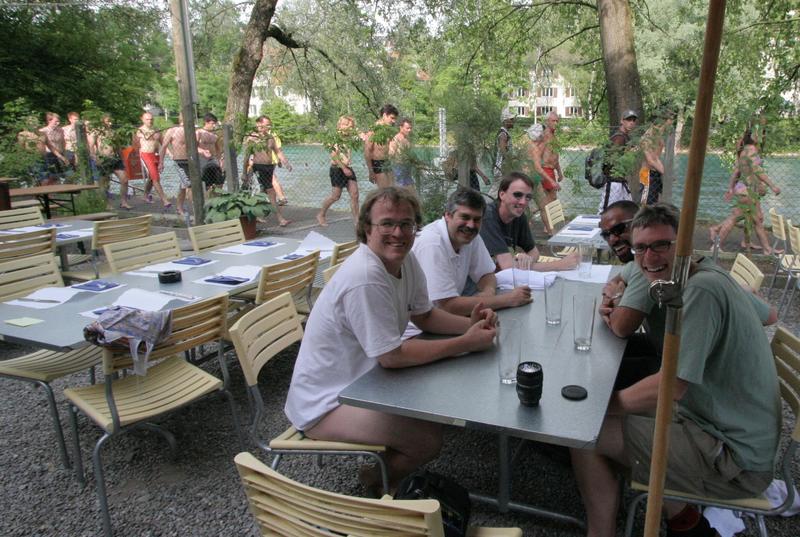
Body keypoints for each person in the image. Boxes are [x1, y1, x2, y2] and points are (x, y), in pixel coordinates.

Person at [571, 203, 780, 537]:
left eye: (661, 245)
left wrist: (604, 406)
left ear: (684, 244)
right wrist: (619, 287)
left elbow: (671, 386)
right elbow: (769, 315)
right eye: (641, 248)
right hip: (713, 421)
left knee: (586, 433)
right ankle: (684, 521)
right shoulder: (698, 273)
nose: (649, 257)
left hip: (735, 459)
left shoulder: (701, 292)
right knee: (606, 417)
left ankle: (661, 527)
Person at [284, 187, 498, 493]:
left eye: (406, 224)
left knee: (441, 409)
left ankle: (389, 472)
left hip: (367, 382)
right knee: (427, 440)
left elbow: (425, 316)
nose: (398, 233)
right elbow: (392, 357)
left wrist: (471, 326)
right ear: (367, 228)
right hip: (326, 402)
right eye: (387, 223)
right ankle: (374, 481)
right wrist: (466, 343)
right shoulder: (365, 276)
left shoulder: (406, 260)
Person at [412, 187, 532, 316]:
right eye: (465, 217)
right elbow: (446, 306)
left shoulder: (470, 237)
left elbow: (486, 274)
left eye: (477, 219)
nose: (470, 225)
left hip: (446, 319)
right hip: (419, 326)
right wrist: (507, 299)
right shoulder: (432, 243)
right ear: (448, 215)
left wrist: (488, 292)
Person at [597, 200, 663, 389]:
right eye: (606, 235)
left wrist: (617, 298)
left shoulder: (650, 264)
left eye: (618, 229)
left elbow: (621, 328)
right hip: (658, 344)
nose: (612, 240)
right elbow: (613, 283)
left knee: (597, 376)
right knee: (596, 350)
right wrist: (612, 296)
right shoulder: (636, 262)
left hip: (671, 365)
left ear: (640, 224)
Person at [478, 172, 578, 271]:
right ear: (502, 195)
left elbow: (534, 253)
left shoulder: (518, 215)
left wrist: (526, 260)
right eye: (517, 195)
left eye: (528, 197)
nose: (523, 202)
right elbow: (508, 267)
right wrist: (559, 265)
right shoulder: (487, 217)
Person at [708, 129, 780, 253]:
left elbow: (736, 171)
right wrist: (772, 186)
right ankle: (716, 246)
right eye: (758, 133)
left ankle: (766, 248)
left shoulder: (744, 150)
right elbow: (757, 170)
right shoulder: (752, 150)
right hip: (747, 191)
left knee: (757, 220)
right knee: (735, 218)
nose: (761, 135)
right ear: (752, 137)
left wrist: (731, 188)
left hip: (745, 190)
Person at [242, 115, 293, 227]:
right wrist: (244, 173)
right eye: (267, 124)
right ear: (259, 124)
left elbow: (278, 152)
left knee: (263, 192)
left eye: (269, 125)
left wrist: (286, 163)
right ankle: (280, 219)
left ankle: (257, 216)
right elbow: (246, 156)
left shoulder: (270, 138)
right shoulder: (252, 138)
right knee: (271, 192)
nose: (269, 127)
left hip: (269, 167)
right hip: (259, 167)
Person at [317, 115, 359, 227]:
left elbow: (360, 136)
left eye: (351, 126)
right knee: (335, 196)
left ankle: (357, 221)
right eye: (346, 125)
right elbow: (334, 155)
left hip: (348, 168)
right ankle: (321, 214)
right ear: (340, 125)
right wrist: (343, 168)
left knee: (355, 194)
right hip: (337, 169)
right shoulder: (334, 138)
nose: (349, 128)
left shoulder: (349, 138)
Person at [529, 112, 563, 235]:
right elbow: (537, 157)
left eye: (557, 121)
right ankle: (547, 226)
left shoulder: (554, 137)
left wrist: (559, 171)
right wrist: (548, 178)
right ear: (547, 122)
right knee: (549, 201)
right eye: (553, 121)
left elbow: (555, 156)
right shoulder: (544, 137)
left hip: (551, 170)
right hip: (545, 170)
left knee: (551, 200)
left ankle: (534, 215)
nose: (556, 123)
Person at [598, 109, 638, 213]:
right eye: (628, 119)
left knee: (628, 211)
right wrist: (629, 154)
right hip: (613, 182)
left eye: (633, 120)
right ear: (622, 121)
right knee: (605, 212)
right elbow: (612, 161)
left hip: (621, 182)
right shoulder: (619, 138)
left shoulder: (626, 137)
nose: (631, 122)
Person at [91, 114, 130, 208]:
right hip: (103, 159)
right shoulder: (97, 132)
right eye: (108, 121)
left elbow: (118, 147)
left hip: (115, 158)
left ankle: (124, 202)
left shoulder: (113, 132)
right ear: (103, 122)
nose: (110, 123)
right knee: (105, 183)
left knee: (124, 180)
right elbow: (91, 146)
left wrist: (123, 159)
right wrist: (95, 157)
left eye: (111, 121)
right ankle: (107, 203)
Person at [134, 111, 171, 208]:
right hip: (145, 155)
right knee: (155, 177)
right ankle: (165, 200)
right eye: (147, 119)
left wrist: (170, 153)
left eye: (151, 119)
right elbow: (135, 144)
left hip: (155, 154)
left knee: (151, 177)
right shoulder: (140, 130)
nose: (150, 121)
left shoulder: (156, 130)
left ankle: (145, 195)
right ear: (142, 119)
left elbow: (163, 144)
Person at [159, 115, 192, 216]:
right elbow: (164, 146)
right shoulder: (172, 130)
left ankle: (180, 207)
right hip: (179, 161)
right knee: (188, 184)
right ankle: (192, 208)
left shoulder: (191, 130)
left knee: (184, 186)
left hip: (191, 160)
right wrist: (161, 162)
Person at [639, 110, 673, 205]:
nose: (664, 130)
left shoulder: (659, 137)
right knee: (646, 204)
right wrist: (666, 173)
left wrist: (665, 172)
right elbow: (650, 160)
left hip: (656, 173)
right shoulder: (647, 138)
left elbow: (656, 158)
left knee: (656, 203)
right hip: (647, 174)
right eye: (665, 126)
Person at [364, 104, 398, 188]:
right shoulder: (374, 130)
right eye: (392, 118)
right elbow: (367, 151)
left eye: (395, 119)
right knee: (384, 191)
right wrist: (371, 171)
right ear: (384, 115)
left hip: (387, 162)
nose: (394, 121)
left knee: (393, 189)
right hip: (377, 163)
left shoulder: (389, 130)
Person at [196, 112, 224, 195]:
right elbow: (193, 147)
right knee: (205, 182)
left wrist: (220, 160)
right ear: (206, 122)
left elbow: (218, 149)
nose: (214, 126)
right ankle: (205, 198)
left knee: (218, 181)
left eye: (215, 123)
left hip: (213, 160)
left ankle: (215, 197)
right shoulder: (199, 132)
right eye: (212, 123)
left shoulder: (215, 135)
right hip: (202, 160)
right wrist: (203, 151)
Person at [39, 112, 69, 184]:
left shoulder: (60, 130)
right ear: (49, 120)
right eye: (56, 121)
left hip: (60, 153)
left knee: (63, 173)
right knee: (53, 174)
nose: (58, 123)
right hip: (49, 154)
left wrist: (64, 153)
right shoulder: (43, 131)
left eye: (58, 121)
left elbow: (63, 142)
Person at [389, 118, 415, 192]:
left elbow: (410, 154)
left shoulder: (407, 138)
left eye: (410, 128)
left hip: (407, 168)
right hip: (398, 168)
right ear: (401, 127)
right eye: (407, 128)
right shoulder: (396, 139)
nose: (409, 130)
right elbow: (391, 154)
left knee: (411, 190)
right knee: (401, 191)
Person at [492, 111, 515, 184]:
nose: (513, 121)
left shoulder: (505, 133)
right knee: (498, 187)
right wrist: (508, 162)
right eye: (511, 119)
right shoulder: (503, 134)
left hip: (502, 166)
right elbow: (503, 150)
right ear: (505, 121)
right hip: (501, 167)